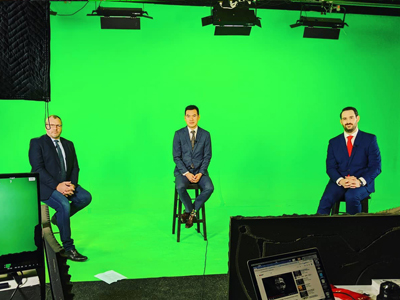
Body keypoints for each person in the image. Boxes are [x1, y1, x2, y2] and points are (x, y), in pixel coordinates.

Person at [29, 115, 91, 261]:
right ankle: (69, 248)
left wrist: (72, 186)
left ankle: (58, 219)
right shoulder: (37, 143)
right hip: (46, 187)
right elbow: (37, 168)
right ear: (46, 127)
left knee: (85, 197)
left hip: (66, 184)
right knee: (64, 205)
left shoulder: (69, 144)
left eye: (59, 125)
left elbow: (75, 167)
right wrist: (57, 186)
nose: (55, 128)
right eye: (52, 125)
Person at [317, 107, 381, 215]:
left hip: (362, 182)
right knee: (325, 200)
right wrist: (340, 180)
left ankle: (353, 230)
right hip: (340, 181)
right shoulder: (333, 142)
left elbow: (376, 166)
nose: (348, 121)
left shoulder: (370, 139)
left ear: (357, 118)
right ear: (341, 121)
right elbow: (330, 167)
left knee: (351, 197)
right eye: (345, 119)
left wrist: (359, 181)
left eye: (351, 117)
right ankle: (317, 230)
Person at [173, 105, 214, 228]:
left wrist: (200, 173)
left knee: (210, 188)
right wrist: (187, 173)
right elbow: (176, 157)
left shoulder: (206, 135)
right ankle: (192, 212)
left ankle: (189, 212)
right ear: (185, 118)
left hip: (201, 172)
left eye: (194, 115)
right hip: (183, 172)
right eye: (188, 116)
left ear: (199, 117)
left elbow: (207, 156)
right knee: (180, 187)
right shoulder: (178, 134)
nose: (191, 119)